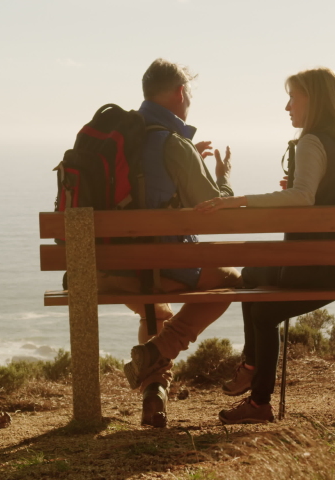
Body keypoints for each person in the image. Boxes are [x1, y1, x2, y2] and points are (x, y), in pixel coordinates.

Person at [195, 67, 335, 424]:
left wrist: (237, 200)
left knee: (259, 299)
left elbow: (302, 198)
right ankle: (253, 379)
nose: (287, 106)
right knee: (255, 285)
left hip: (319, 266)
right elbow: (331, 195)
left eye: (293, 96)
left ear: (314, 99)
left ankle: (255, 387)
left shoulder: (312, 141)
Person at [100, 59, 241, 427]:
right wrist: (223, 178)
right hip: (156, 268)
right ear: (180, 92)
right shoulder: (173, 143)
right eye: (188, 93)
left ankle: (154, 394)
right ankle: (157, 350)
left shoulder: (116, 137)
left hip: (106, 270)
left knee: (156, 308)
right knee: (231, 280)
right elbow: (214, 209)